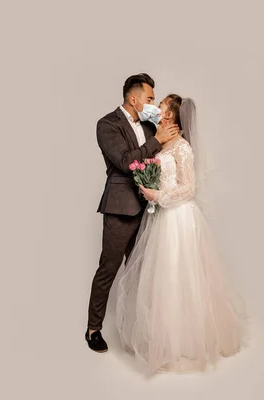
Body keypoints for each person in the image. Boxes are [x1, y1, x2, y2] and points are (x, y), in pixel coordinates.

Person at [115, 95, 248, 375]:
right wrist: (151, 192)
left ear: (172, 116)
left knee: (181, 276)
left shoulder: (183, 148)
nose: (158, 108)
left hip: (179, 218)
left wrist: (158, 195)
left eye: (162, 105)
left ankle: (186, 340)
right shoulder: (161, 142)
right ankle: (164, 339)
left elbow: (188, 188)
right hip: (163, 216)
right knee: (163, 277)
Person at [85, 73, 180, 352]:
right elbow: (126, 162)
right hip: (120, 207)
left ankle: (142, 330)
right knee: (109, 269)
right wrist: (158, 140)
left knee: (144, 273)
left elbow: (161, 155)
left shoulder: (151, 125)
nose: (153, 104)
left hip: (150, 209)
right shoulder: (107, 124)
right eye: (150, 99)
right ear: (134, 98)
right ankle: (93, 329)